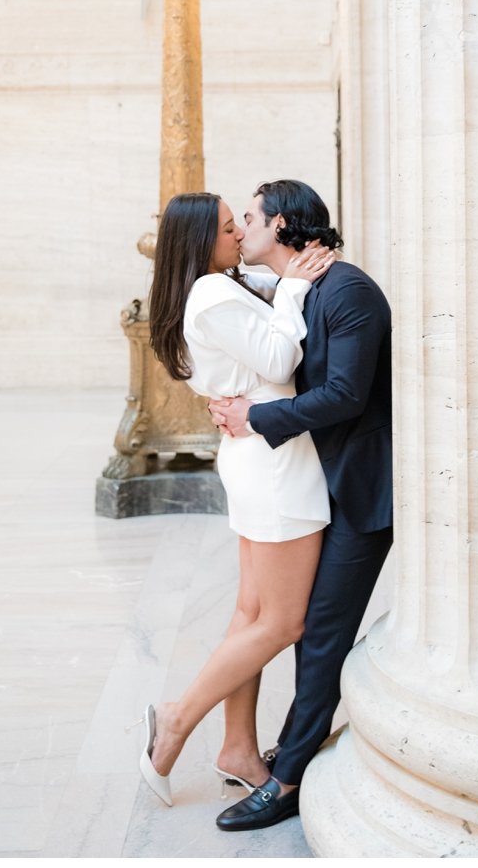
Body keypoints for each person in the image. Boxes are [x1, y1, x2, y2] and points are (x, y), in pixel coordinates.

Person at [135, 191, 336, 806]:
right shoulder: (212, 293)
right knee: (283, 621)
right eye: (229, 229)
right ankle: (176, 720)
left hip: (258, 457)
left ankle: (238, 750)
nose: (241, 234)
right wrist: (297, 291)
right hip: (276, 467)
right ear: (202, 243)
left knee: (251, 615)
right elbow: (280, 354)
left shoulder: (214, 287)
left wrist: (281, 278)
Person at [209, 179, 393, 831]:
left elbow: (343, 394)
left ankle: (286, 779)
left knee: (316, 634)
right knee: (301, 626)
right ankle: (292, 748)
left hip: (360, 491)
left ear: (282, 224)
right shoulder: (305, 289)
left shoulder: (349, 292)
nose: (241, 229)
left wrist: (255, 416)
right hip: (320, 487)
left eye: (250, 218)